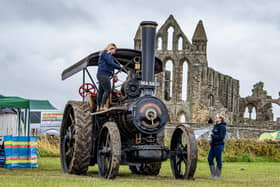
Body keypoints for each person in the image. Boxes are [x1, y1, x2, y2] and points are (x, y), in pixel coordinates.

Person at [96, 43, 122, 111]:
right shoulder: (106, 54)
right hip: (103, 75)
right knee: (108, 90)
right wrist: (119, 66)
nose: (115, 52)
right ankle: (103, 106)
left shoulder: (106, 55)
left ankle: (98, 107)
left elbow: (110, 66)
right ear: (111, 49)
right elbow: (110, 63)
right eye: (114, 50)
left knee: (101, 91)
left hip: (101, 74)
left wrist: (113, 74)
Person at [208, 112, 227, 179]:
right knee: (209, 158)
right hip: (213, 145)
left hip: (219, 145)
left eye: (217, 117)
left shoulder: (222, 127)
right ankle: (213, 174)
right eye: (215, 117)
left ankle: (217, 175)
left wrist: (212, 135)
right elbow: (213, 135)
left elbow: (221, 137)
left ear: (220, 119)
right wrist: (211, 139)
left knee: (218, 160)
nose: (215, 118)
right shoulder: (215, 126)